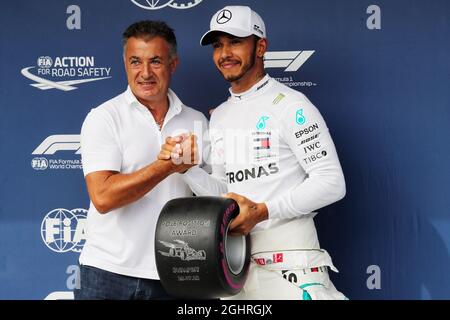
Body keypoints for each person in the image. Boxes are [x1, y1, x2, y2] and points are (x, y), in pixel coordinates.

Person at [159, 6, 348, 300]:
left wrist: (262, 212)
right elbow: (225, 191)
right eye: (218, 45)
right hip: (235, 270)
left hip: (291, 267)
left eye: (235, 42)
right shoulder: (220, 115)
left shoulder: (291, 105)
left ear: (260, 47)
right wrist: (188, 169)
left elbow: (331, 182)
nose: (225, 53)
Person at [74, 20, 207, 300]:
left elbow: (211, 197)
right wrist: (166, 167)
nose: (144, 73)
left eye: (155, 61)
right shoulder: (105, 118)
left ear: (173, 64)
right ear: (125, 63)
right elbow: (103, 197)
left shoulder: (197, 121)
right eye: (135, 61)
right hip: (108, 272)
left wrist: (191, 172)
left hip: (176, 274)